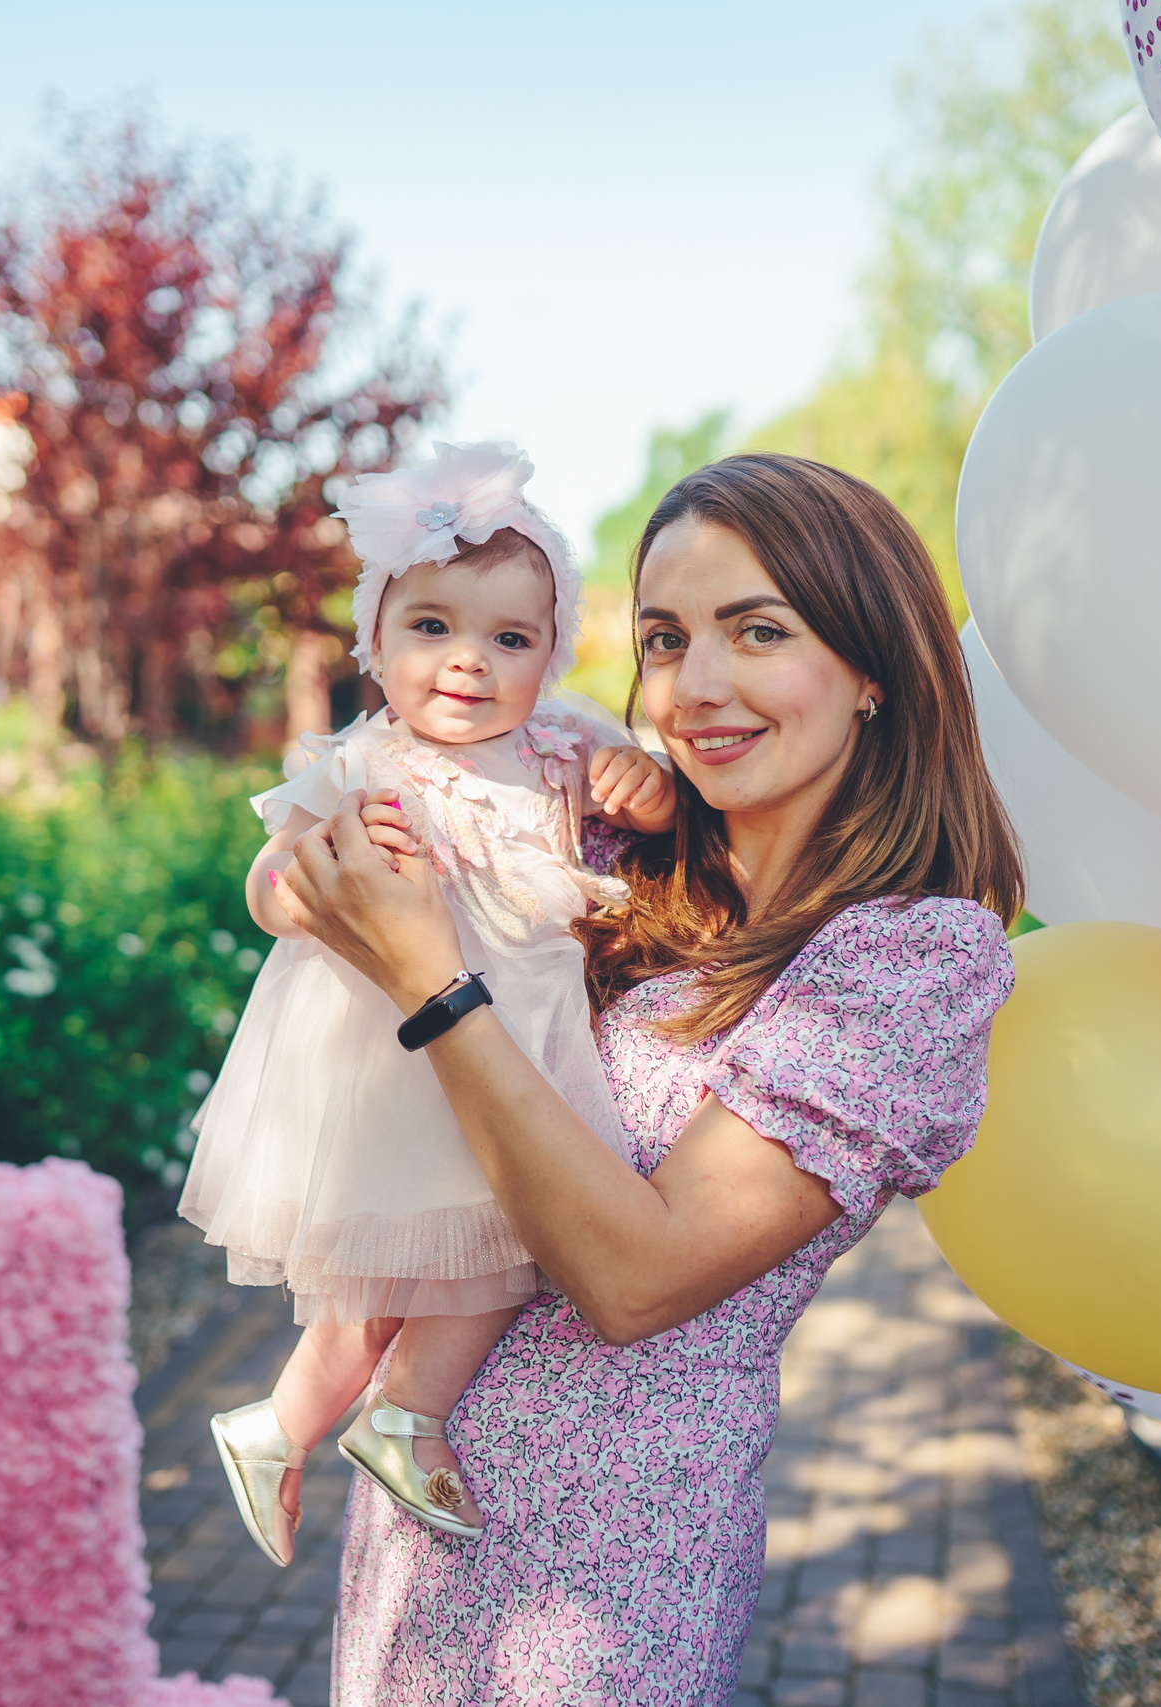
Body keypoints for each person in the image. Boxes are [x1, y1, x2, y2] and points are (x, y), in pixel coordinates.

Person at [272, 453, 1024, 1704]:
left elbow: (635, 1279)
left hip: (604, 1578)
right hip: (419, 1520)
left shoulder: (911, 956)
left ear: (874, 669)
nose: (697, 686)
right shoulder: (615, 848)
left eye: (759, 631)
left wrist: (431, 988)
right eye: (667, 639)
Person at [182, 442, 676, 1564]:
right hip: (393, 1054)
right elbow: (265, 888)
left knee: (501, 1244)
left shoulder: (567, 742)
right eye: (432, 628)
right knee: (417, 1262)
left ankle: (329, 1423)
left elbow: (650, 805)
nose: (467, 662)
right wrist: (315, 879)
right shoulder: (360, 767)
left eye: (509, 638)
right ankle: (342, 1417)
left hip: (522, 1042)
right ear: (377, 642)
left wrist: (646, 795)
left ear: (550, 655)